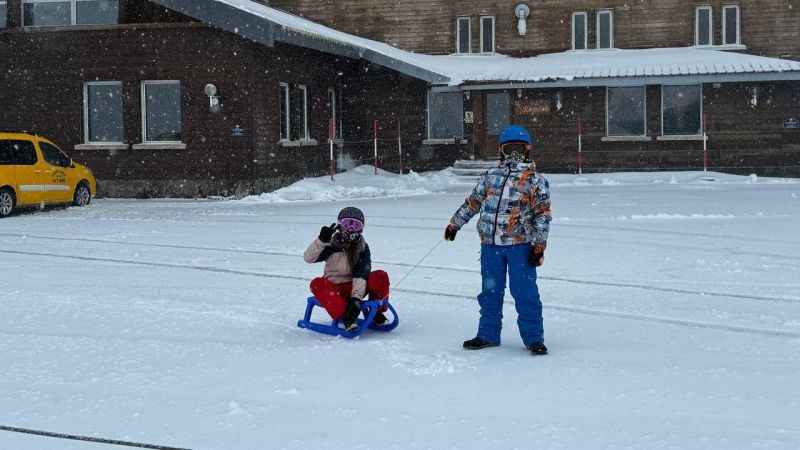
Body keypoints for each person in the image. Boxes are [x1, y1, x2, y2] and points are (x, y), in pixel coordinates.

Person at [444, 125, 552, 355]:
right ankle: (488, 334)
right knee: (490, 292)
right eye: (509, 149)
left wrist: (539, 246)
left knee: (525, 292)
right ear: (502, 151)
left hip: (520, 245)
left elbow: (542, 215)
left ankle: (534, 338)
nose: (514, 154)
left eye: (518, 149)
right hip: (490, 245)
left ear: (527, 150)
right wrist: (455, 224)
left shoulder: (535, 180)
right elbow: (473, 202)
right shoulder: (491, 176)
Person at [304, 207, 390, 332]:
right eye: (347, 224)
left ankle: (376, 312)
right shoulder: (331, 243)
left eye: (356, 225)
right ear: (339, 225)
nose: (351, 228)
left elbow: (361, 274)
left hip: (354, 287)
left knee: (380, 276)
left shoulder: (362, 247)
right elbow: (308, 258)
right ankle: (345, 315)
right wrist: (321, 241)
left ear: (361, 228)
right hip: (333, 288)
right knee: (316, 284)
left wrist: (356, 298)